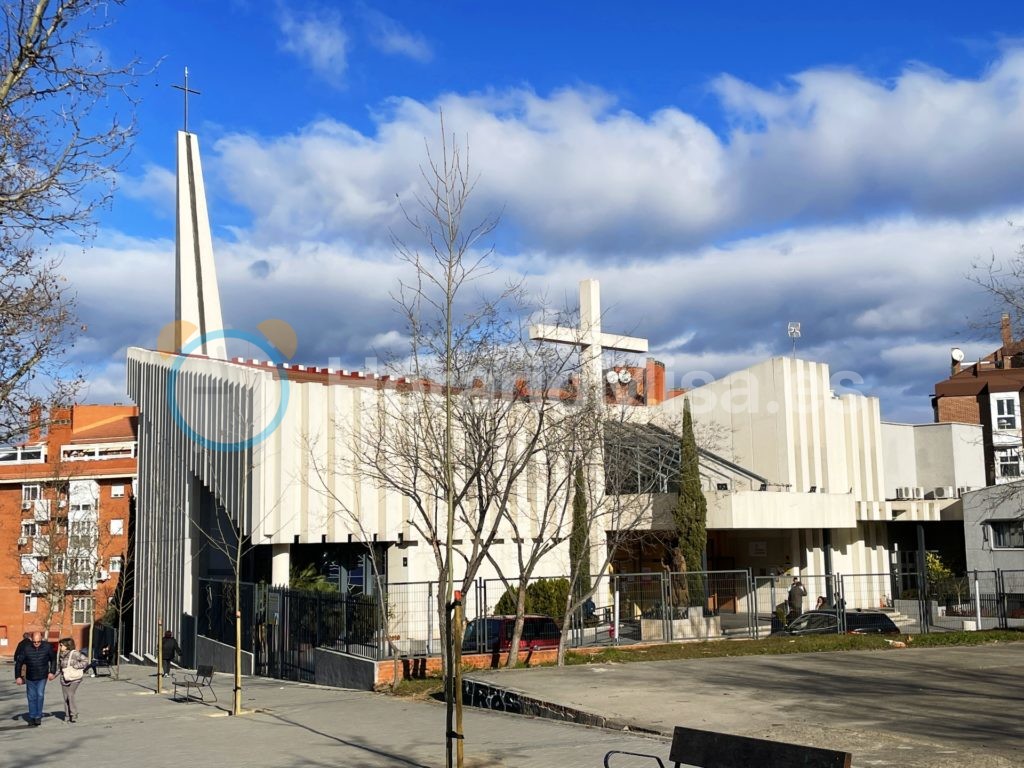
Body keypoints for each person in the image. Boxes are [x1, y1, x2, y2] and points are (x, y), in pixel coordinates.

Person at [14, 631, 57, 726]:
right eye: (34, 642)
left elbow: (53, 659)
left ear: (41, 639)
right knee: (31, 697)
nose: (36, 644)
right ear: (31, 640)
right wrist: (18, 677)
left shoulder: (47, 647)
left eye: (38, 642)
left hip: (42, 676)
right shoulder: (26, 648)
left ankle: (38, 716)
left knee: (40, 695)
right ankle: (32, 716)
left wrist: (52, 672)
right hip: (30, 676)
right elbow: (19, 662)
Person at [57, 638, 89, 723]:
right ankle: (67, 716)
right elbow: (60, 667)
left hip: (75, 678)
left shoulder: (75, 653)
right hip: (64, 678)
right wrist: (53, 675)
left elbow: (86, 660)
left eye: (61, 645)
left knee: (70, 694)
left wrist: (76, 666)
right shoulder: (61, 655)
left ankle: (74, 714)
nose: (60, 647)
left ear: (67, 646)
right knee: (66, 698)